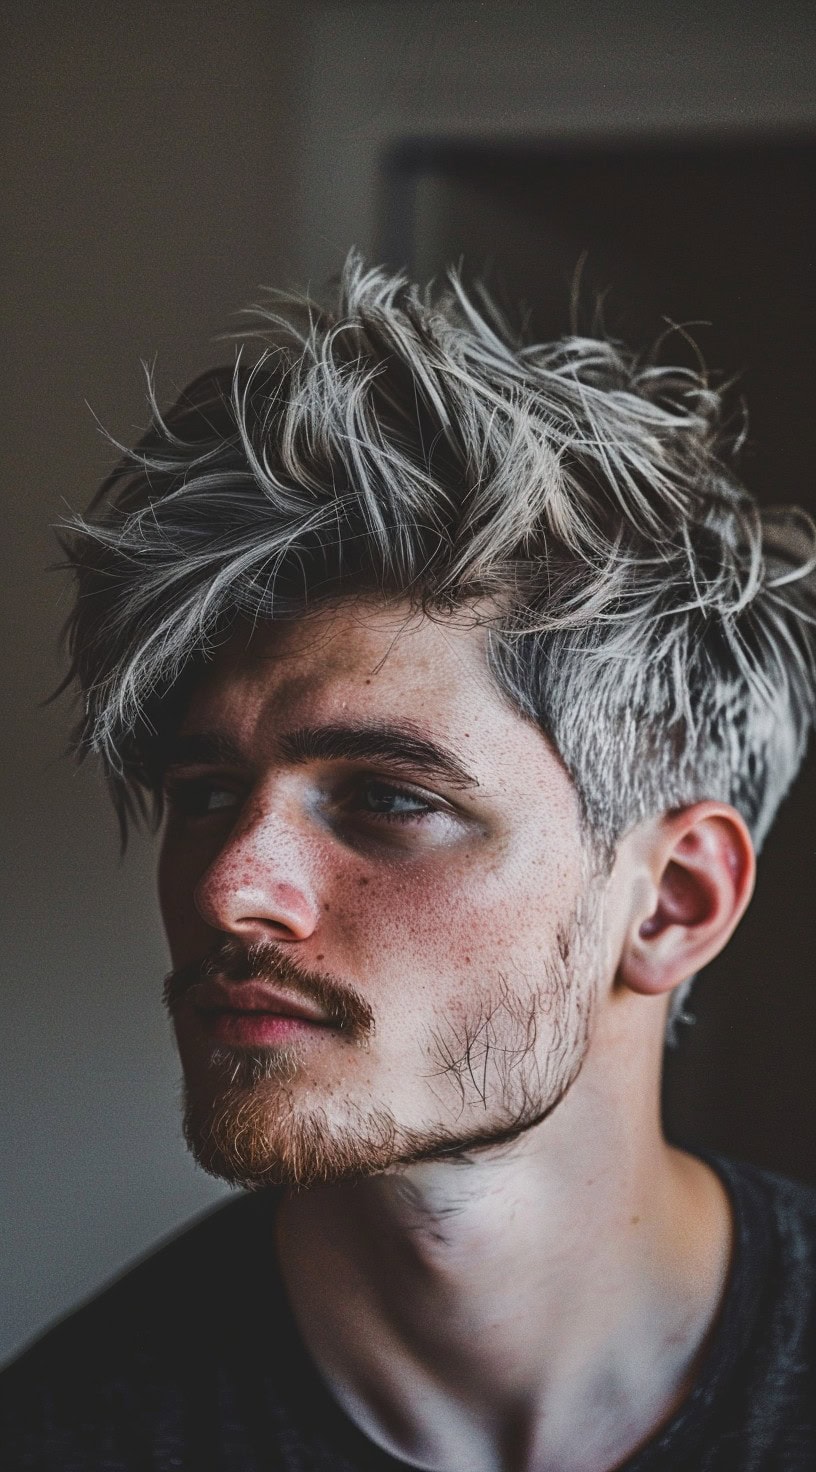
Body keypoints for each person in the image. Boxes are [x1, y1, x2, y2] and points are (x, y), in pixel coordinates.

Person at [3, 256, 816, 1472]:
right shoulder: (72, 1431)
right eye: (207, 794)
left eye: (389, 799)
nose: (231, 884)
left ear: (674, 900)